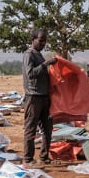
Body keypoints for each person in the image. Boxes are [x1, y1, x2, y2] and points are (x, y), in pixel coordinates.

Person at [22, 30, 56, 164]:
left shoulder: (39, 55)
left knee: (47, 129)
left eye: (45, 41)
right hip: (33, 96)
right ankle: (28, 159)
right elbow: (30, 73)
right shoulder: (29, 55)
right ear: (33, 39)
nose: (43, 43)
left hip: (44, 96)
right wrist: (46, 64)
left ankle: (43, 157)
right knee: (31, 129)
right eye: (41, 40)